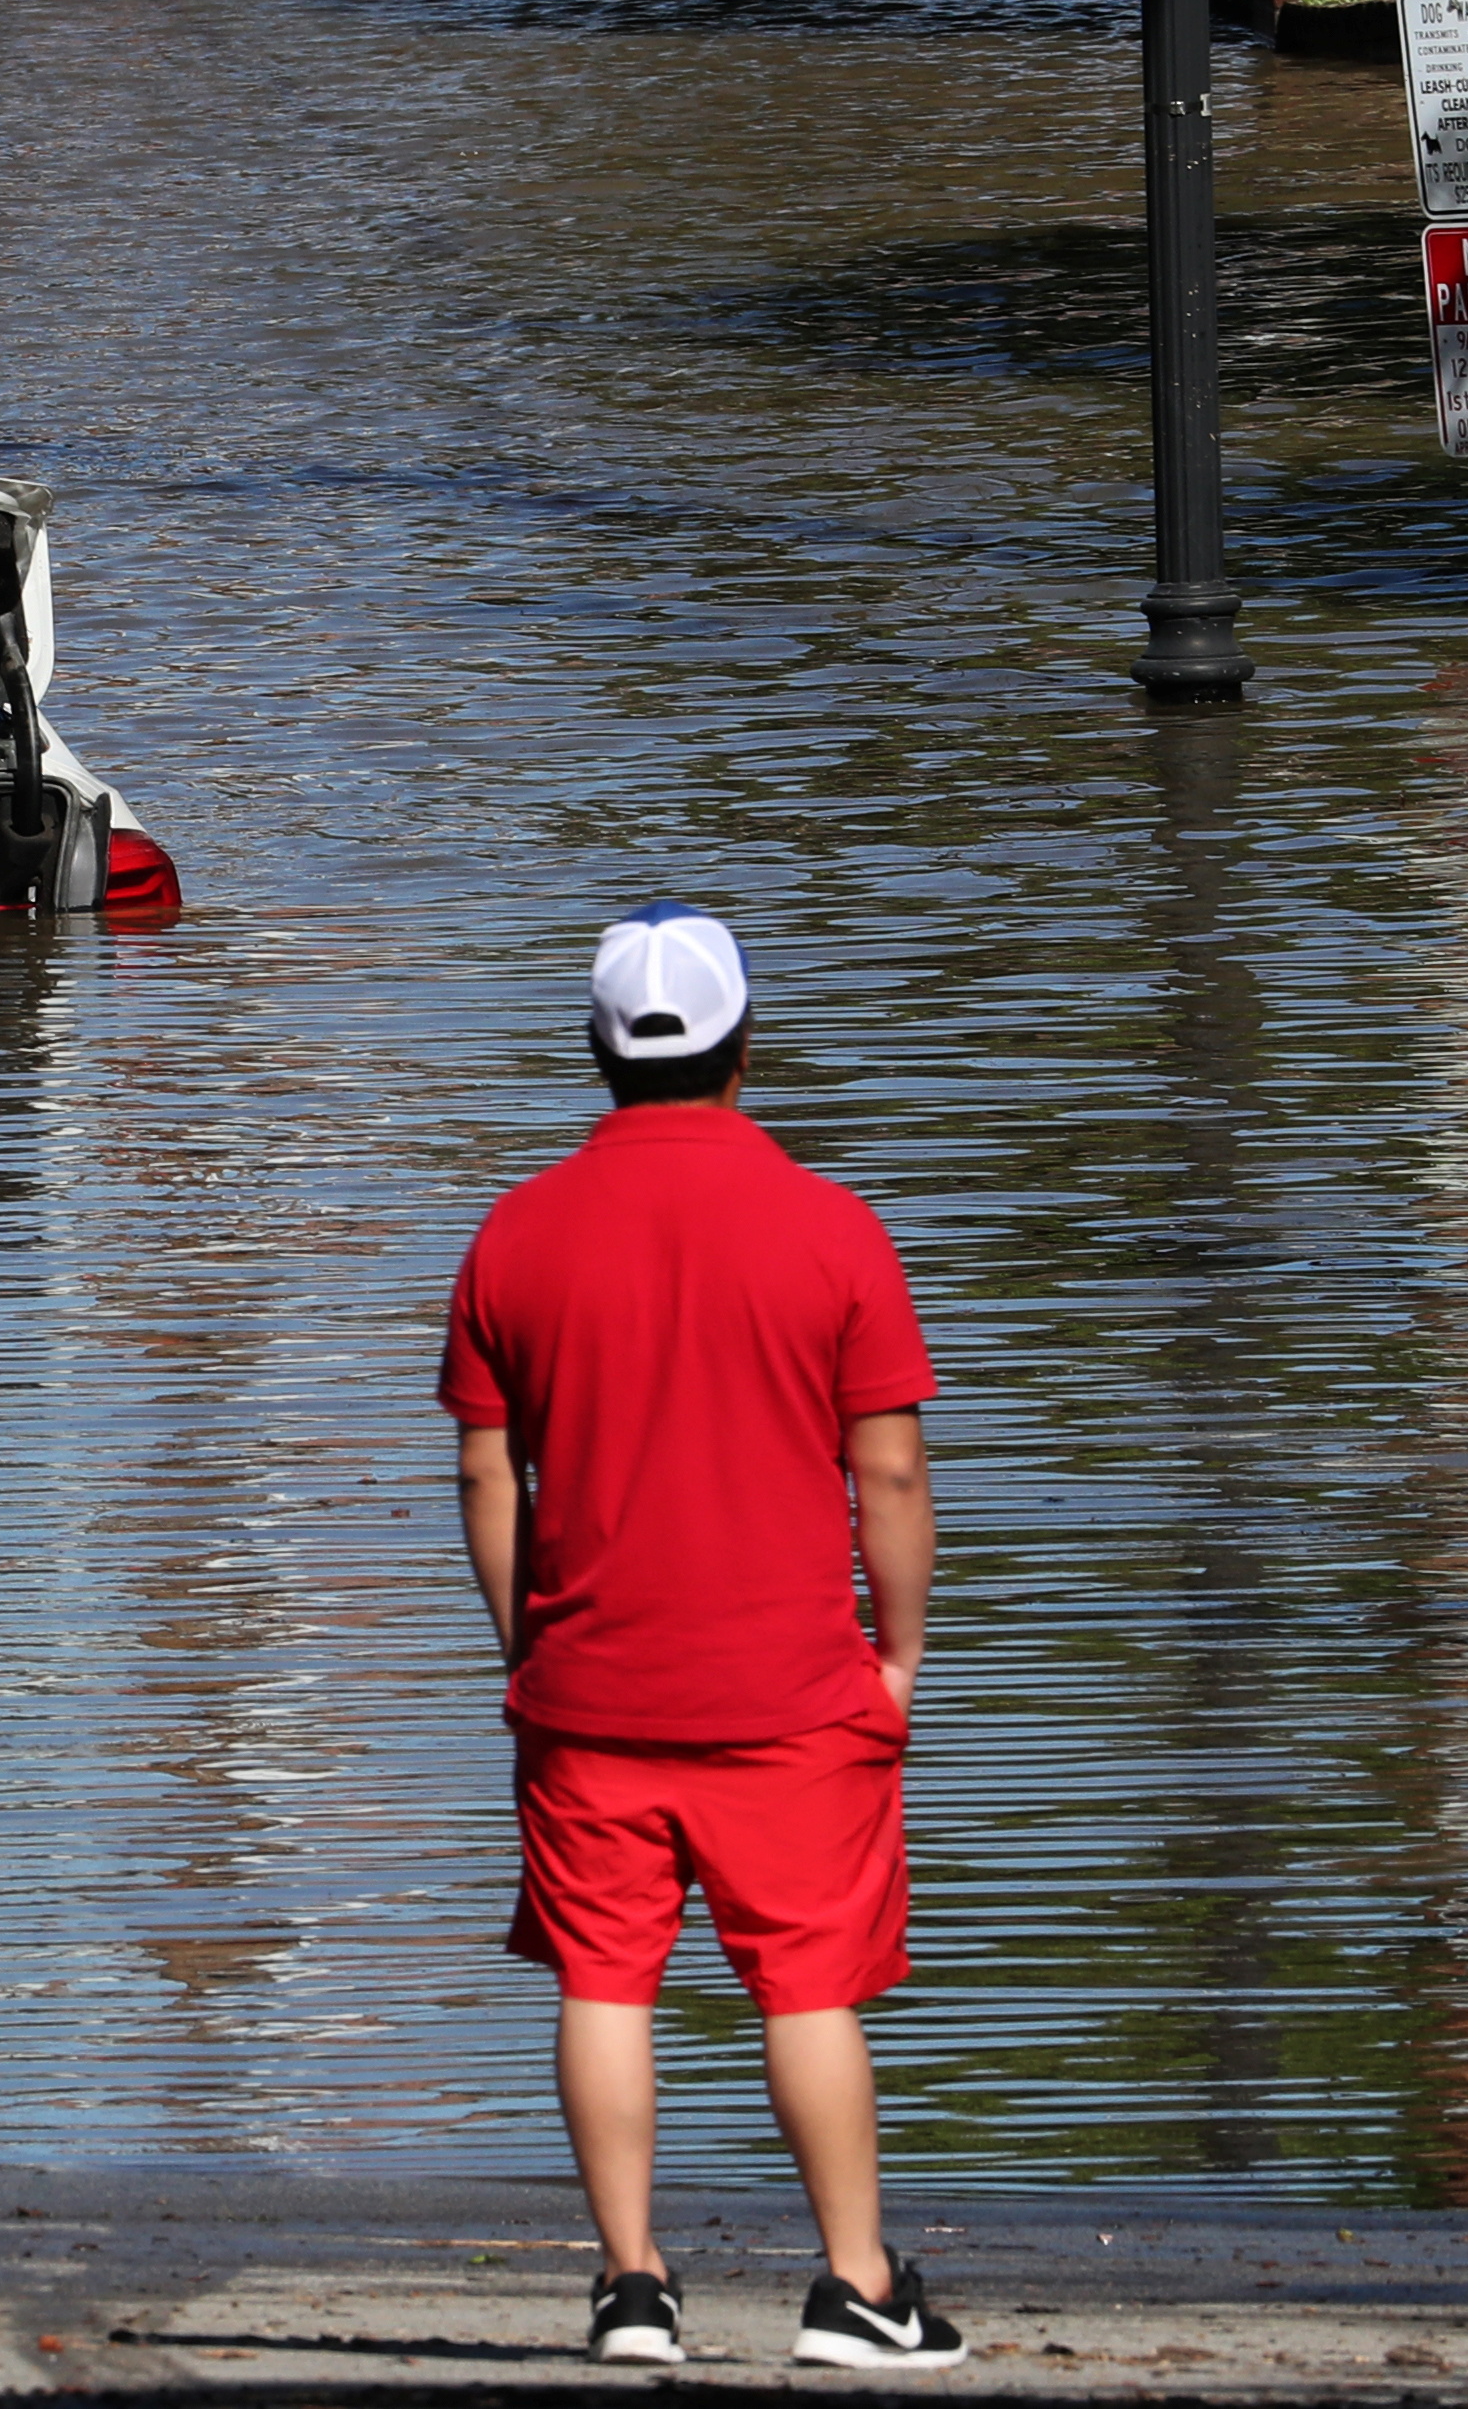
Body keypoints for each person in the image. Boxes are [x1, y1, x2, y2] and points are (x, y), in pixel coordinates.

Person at [437, 902, 959, 2372]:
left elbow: (488, 1473)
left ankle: (630, 2290)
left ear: (594, 1058)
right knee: (805, 1985)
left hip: (587, 1687)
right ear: (744, 1049)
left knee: (605, 1979)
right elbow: (892, 1472)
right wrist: (898, 1657)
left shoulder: (516, 1233)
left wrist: (519, 1645)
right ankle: (858, 2289)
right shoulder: (830, 1227)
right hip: (790, 1687)